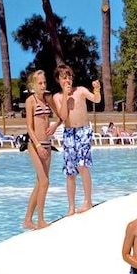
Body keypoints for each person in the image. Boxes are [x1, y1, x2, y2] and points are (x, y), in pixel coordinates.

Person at [53, 64, 101, 214]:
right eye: (64, 78)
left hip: (83, 130)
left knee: (82, 165)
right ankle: (71, 206)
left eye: (70, 77)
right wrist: (65, 96)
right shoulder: (57, 97)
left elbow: (96, 100)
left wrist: (97, 89)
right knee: (70, 171)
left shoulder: (80, 91)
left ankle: (88, 201)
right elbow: (63, 116)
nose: (68, 80)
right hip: (69, 133)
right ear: (58, 80)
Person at [22, 70, 59, 230]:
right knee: (44, 181)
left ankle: (27, 220)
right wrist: (37, 145)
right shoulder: (30, 101)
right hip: (35, 144)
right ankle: (40, 220)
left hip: (47, 144)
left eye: (44, 82)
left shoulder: (47, 100)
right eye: (40, 83)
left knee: (40, 183)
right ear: (33, 85)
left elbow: (61, 115)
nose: (43, 85)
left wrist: (55, 126)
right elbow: (29, 127)